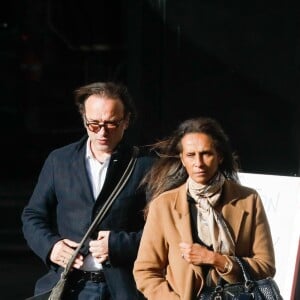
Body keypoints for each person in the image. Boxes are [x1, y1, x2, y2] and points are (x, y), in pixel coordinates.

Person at [22, 81, 154, 300]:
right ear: (84, 119)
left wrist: (118, 245)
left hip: (124, 288)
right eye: (94, 124)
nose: (102, 132)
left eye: (112, 123)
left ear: (127, 120)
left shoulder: (145, 165)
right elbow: (32, 216)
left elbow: (161, 231)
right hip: (70, 286)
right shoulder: (60, 160)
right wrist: (51, 246)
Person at [133, 117, 276, 300]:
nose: (198, 163)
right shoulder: (164, 205)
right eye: (191, 155)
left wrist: (216, 259)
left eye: (206, 153)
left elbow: (266, 266)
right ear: (182, 159)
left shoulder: (248, 199)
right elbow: (146, 271)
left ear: (220, 156)